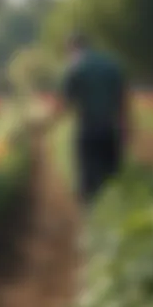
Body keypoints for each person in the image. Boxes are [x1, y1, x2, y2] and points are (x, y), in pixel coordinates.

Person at [45, 33, 130, 205]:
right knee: (111, 179)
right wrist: (125, 128)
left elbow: (63, 105)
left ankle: (92, 221)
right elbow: (123, 103)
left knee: (89, 184)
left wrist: (47, 124)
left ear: (72, 48)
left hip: (88, 131)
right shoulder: (111, 64)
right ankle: (113, 216)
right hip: (110, 130)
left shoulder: (75, 68)